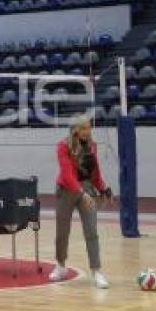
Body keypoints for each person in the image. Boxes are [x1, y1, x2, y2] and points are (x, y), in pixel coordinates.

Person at [49, 114, 113, 289]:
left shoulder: (92, 146)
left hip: (86, 189)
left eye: (89, 127)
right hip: (67, 189)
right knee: (62, 231)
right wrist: (81, 192)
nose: (88, 131)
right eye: (84, 128)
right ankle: (61, 265)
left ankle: (97, 270)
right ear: (75, 130)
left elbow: (95, 171)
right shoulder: (63, 146)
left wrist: (103, 188)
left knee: (91, 230)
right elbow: (67, 173)